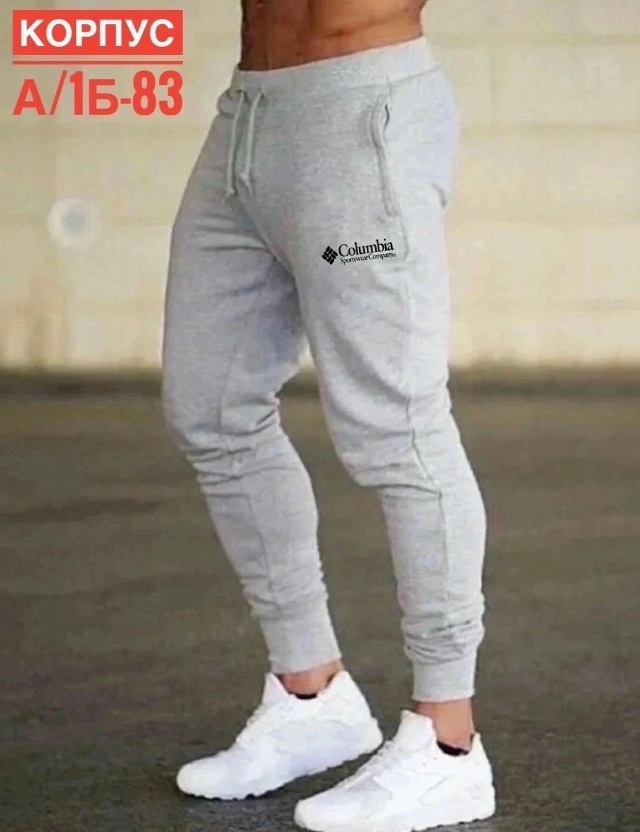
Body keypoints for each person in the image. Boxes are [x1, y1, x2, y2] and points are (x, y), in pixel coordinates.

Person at [162, 1, 495, 829]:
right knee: (211, 407)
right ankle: (311, 694)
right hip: (248, 120)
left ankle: (448, 741)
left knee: (397, 429)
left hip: (361, 113)